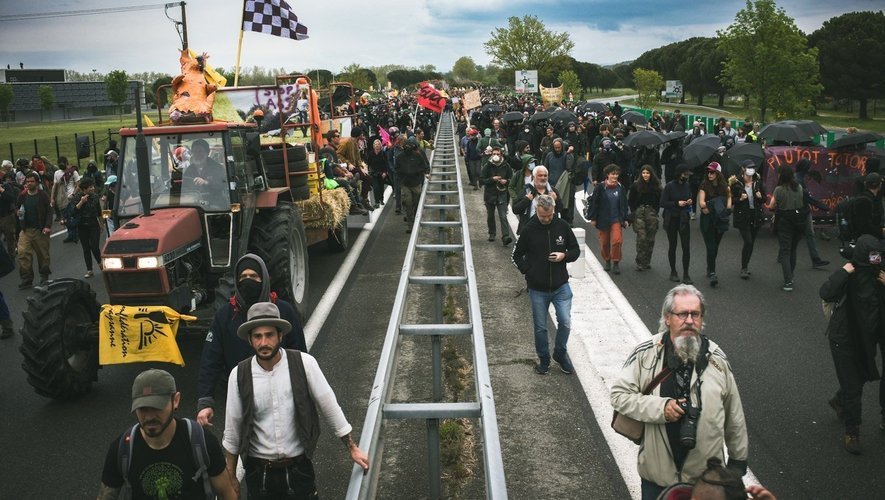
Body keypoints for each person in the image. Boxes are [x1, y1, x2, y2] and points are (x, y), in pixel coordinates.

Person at [610, 285, 748, 499]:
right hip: (657, 479)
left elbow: (734, 414)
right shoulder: (645, 353)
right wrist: (661, 408)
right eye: (682, 314)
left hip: (706, 484)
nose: (689, 321)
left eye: (695, 314)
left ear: (702, 319)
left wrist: (738, 463)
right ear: (667, 318)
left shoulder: (717, 359)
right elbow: (619, 395)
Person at [222, 302, 370, 499]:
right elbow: (232, 430)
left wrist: (353, 448)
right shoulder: (239, 374)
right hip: (259, 474)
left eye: (269, 335)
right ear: (250, 340)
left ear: (280, 336)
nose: (263, 342)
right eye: (257, 336)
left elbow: (330, 407)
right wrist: (231, 477)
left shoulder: (305, 364)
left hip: (299, 469)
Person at [197, 253, 307, 428]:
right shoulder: (224, 316)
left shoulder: (284, 311)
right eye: (243, 277)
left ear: (264, 279)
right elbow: (210, 359)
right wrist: (205, 401)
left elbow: (299, 353)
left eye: (254, 276)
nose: (248, 281)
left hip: (280, 390)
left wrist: (303, 392)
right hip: (242, 393)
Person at [99, 369, 238, 500]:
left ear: (175, 400)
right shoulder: (122, 449)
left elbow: (227, 494)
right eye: (142, 409)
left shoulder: (202, 442)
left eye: (157, 407)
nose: (149, 417)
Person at [820, 235, 885, 455]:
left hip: (866, 338)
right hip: (844, 338)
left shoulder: (879, 276)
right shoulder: (849, 274)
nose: (875, 262)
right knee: (853, 387)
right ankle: (852, 431)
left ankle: (840, 400)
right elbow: (826, 292)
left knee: (861, 376)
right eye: (872, 257)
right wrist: (843, 272)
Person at [511, 194, 580, 375]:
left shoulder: (562, 225)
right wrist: (529, 271)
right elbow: (516, 256)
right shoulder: (528, 229)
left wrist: (564, 256)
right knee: (541, 328)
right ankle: (544, 358)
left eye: (549, 216)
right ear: (537, 210)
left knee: (565, 322)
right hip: (537, 289)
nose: (547, 219)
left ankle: (560, 353)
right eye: (543, 216)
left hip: (561, 286)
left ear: (553, 210)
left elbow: (576, 250)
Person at [765, 166, 806, 292]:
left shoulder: (779, 189)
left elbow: (771, 206)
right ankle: (791, 276)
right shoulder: (799, 187)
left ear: (781, 175)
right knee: (793, 250)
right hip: (799, 221)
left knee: (785, 252)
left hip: (785, 222)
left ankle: (788, 281)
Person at [587, 164, 629, 274]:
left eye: (617, 174)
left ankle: (616, 261)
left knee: (617, 241)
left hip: (616, 219)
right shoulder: (600, 187)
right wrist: (593, 218)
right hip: (603, 219)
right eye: (613, 174)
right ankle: (607, 260)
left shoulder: (621, 187)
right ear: (607, 175)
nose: (615, 176)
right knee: (604, 243)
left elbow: (624, 204)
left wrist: (625, 219)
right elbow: (594, 203)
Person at [729, 160, 766, 279]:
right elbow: (730, 200)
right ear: (743, 169)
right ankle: (744, 268)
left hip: (755, 215)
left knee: (751, 243)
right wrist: (739, 199)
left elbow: (764, 199)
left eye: (753, 168)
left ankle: (745, 265)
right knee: (748, 241)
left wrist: (760, 197)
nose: (751, 170)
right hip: (742, 216)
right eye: (749, 168)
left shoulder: (758, 182)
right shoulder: (736, 183)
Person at [697, 162, 732, 287]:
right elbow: (701, 203)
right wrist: (711, 205)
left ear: (718, 173)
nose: (709, 174)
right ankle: (712, 272)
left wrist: (727, 208)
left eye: (712, 172)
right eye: (708, 172)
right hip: (707, 219)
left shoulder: (724, 186)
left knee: (715, 246)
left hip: (720, 219)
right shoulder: (704, 185)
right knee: (711, 246)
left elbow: (729, 197)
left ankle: (709, 267)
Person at [16, 172, 52, 289]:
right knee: (23, 253)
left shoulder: (43, 195)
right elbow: (17, 208)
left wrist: (47, 226)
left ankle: (44, 276)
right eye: (27, 182)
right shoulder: (22, 196)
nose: (29, 183)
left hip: (40, 230)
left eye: (32, 181)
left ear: (36, 183)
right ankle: (26, 278)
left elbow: (49, 211)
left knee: (43, 255)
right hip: (26, 230)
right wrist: (18, 212)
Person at [660, 164, 694, 284]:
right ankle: (673, 271)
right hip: (672, 219)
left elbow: (689, 196)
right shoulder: (669, 186)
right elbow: (663, 203)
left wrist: (689, 201)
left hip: (683, 218)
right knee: (673, 245)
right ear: (679, 174)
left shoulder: (687, 185)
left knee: (686, 247)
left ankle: (686, 274)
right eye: (685, 174)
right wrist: (676, 203)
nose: (687, 177)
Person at [794, 159, 830, 269]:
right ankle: (815, 259)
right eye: (808, 167)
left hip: (801, 210)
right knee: (801, 235)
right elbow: (806, 197)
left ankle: (815, 259)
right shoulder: (798, 180)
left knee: (803, 234)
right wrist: (822, 206)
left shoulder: (798, 178)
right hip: (801, 211)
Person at [628, 165, 662, 272]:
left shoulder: (656, 186)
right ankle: (640, 261)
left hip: (651, 212)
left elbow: (659, 200)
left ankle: (647, 261)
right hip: (639, 212)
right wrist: (634, 211)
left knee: (650, 238)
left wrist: (655, 211)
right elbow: (631, 200)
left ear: (651, 174)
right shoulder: (635, 185)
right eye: (643, 173)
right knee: (641, 237)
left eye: (647, 173)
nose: (645, 175)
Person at [511, 165, 561, 235]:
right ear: (534, 177)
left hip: (549, 230)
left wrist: (556, 200)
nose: (543, 178)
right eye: (540, 175)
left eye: (545, 175)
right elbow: (515, 209)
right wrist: (526, 200)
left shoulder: (553, 191)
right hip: (529, 231)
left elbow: (560, 209)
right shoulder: (526, 190)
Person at [394, 137, 430, 233]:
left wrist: (426, 172)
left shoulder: (418, 155)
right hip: (405, 183)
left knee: (416, 202)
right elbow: (396, 168)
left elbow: (424, 165)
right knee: (408, 202)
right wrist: (400, 177)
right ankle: (410, 224)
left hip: (416, 183)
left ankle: (415, 218)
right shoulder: (400, 157)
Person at [480, 145, 513, 246]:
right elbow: (481, 180)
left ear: (501, 155)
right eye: (494, 154)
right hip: (490, 195)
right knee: (490, 216)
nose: (496, 156)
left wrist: (506, 181)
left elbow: (512, 179)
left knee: (503, 216)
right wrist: (492, 179)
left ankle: (505, 236)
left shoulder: (506, 166)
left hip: (502, 194)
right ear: (491, 154)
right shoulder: (487, 166)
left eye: (498, 154)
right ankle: (492, 233)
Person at [71, 178, 103, 278]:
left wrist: (101, 224)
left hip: (93, 224)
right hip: (82, 225)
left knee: (94, 246)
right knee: (86, 248)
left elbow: (99, 212)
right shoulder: (77, 197)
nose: (93, 188)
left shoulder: (95, 197)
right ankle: (89, 270)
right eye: (90, 187)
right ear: (84, 189)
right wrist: (81, 202)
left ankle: (100, 263)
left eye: (93, 186)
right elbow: (73, 212)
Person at [51, 156, 79, 241]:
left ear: (67, 163)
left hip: (71, 198)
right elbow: (55, 186)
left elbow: (78, 184)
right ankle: (71, 234)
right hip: (62, 199)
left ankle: (75, 234)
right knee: (65, 218)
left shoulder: (73, 172)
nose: (61, 165)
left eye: (62, 163)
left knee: (72, 216)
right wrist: (52, 198)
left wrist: (73, 194)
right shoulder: (57, 173)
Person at [852, 172, 884, 239]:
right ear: (880, 185)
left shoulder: (872, 198)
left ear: (865, 184)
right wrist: (881, 231)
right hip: (866, 238)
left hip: (871, 236)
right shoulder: (864, 201)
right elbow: (864, 227)